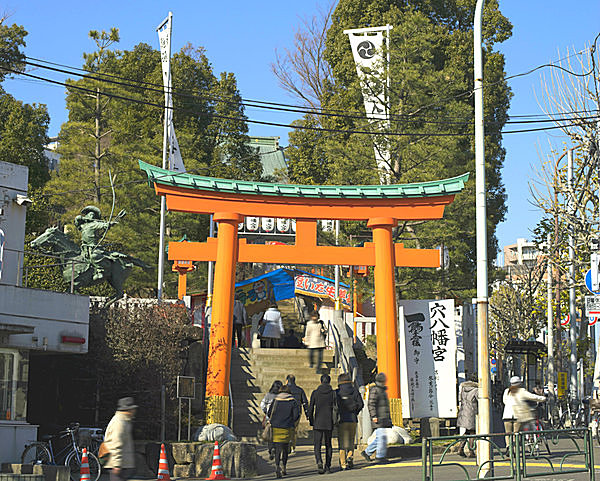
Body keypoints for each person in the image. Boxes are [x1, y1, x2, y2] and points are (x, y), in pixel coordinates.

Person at [268, 385, 300, 478]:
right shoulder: (293, 401)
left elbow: (269, 412)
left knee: (278, 448)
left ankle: (277, 466)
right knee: (285, 449)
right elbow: (296, 415)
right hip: (287, 427)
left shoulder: (275, 400)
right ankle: (284, 467)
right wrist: (291, 421)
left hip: (276, 427)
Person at [103, 397, 137, 481]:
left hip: (123, 464)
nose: (134, 411)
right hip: (120, 465)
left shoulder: (124, 421)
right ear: (128, 410)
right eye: (133, 409)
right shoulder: (120, 423)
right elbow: (116, 444)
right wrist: (117, 465)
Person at [308, 374, 337, 474]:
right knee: (328, 444)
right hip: (329, 421)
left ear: (321, 381)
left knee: (317, 444)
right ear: (329, 381)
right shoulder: (333, 393)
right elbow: (336, 407)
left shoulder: (315, 393)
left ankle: (319, 461)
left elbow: (310, 408)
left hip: (318, 421)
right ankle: (328, 466)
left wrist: (311, 420)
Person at [361, 372, 392, 464]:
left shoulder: (382, 390)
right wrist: (374, 416)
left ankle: (367, 452)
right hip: (378, 418)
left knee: (380, 437)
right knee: (382, 437)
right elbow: (371, 404)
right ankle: (380, 457)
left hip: (382, 418)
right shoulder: (376, 390)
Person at [336, 373, 364, 470]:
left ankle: (343, 463)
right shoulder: (354, 391)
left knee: (342, 442)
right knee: (351, 440)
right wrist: (355, 412)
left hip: (342, 420)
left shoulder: (337, 392)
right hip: (352, 419)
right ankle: (350, 456)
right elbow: (361, 404)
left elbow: (335, 406)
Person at [286, 374, 309, 454]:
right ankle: (293, 446)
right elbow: (305, 402)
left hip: (286, 412)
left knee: (286, 429)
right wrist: (307, 414)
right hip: (297, 412)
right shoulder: (300, 390)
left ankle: (286, 444)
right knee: (294, 430)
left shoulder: (285, 389)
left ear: (287, 381)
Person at [456, 375, 478, 457]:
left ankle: (460, 448)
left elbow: (460, 399)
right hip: (471, 412)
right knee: (472, 432)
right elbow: (480, 399)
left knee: (467, 432)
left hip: (463, 411)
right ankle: (471, 451)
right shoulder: (476, 390)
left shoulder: (463, 389)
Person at [261, 380, 283, 460]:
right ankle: (276, 450)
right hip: (279, 418)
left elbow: (262, 405)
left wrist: (266, 411)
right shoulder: (281, 396)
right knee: (277, 435)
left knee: (270, 435)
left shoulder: (268, 395)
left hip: (269, 418)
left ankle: (271, 449)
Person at [502, 377, 518, 451]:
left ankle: (508, 446)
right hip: (517, 416)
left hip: (507, 415)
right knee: (516, 434)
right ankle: (514, 449)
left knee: (508, 433)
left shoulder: (507, 391)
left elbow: (504, 401)